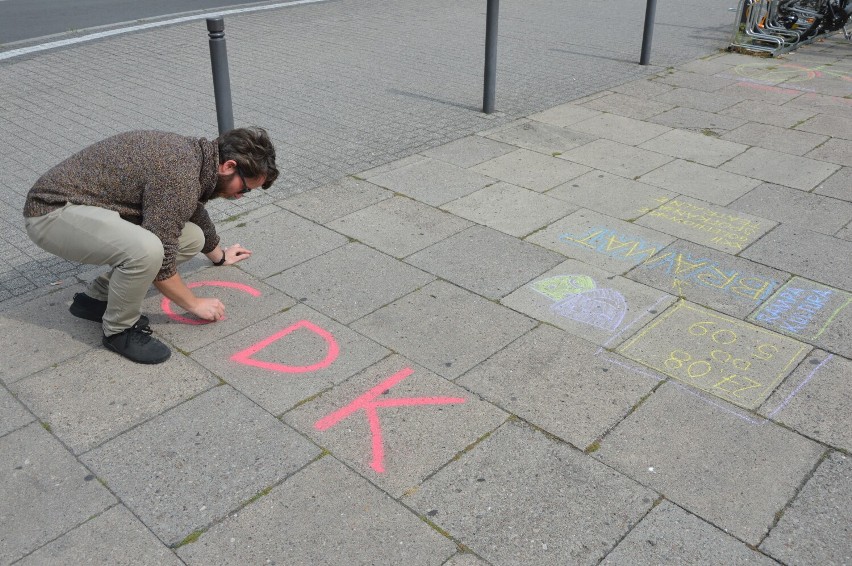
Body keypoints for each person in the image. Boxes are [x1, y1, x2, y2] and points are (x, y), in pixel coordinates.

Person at [23, 127, 278, 365]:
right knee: (147, 251)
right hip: (52, 213)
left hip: (86, 206)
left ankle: (96, 300)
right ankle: (119, 331)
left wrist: (219, 255)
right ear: (228, 166)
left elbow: (191, 210)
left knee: (192, 238)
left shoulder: (196, 160)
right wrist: (194, 303)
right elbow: (162, 260)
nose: (239, 196)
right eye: (245, 188)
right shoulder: (179, 172)